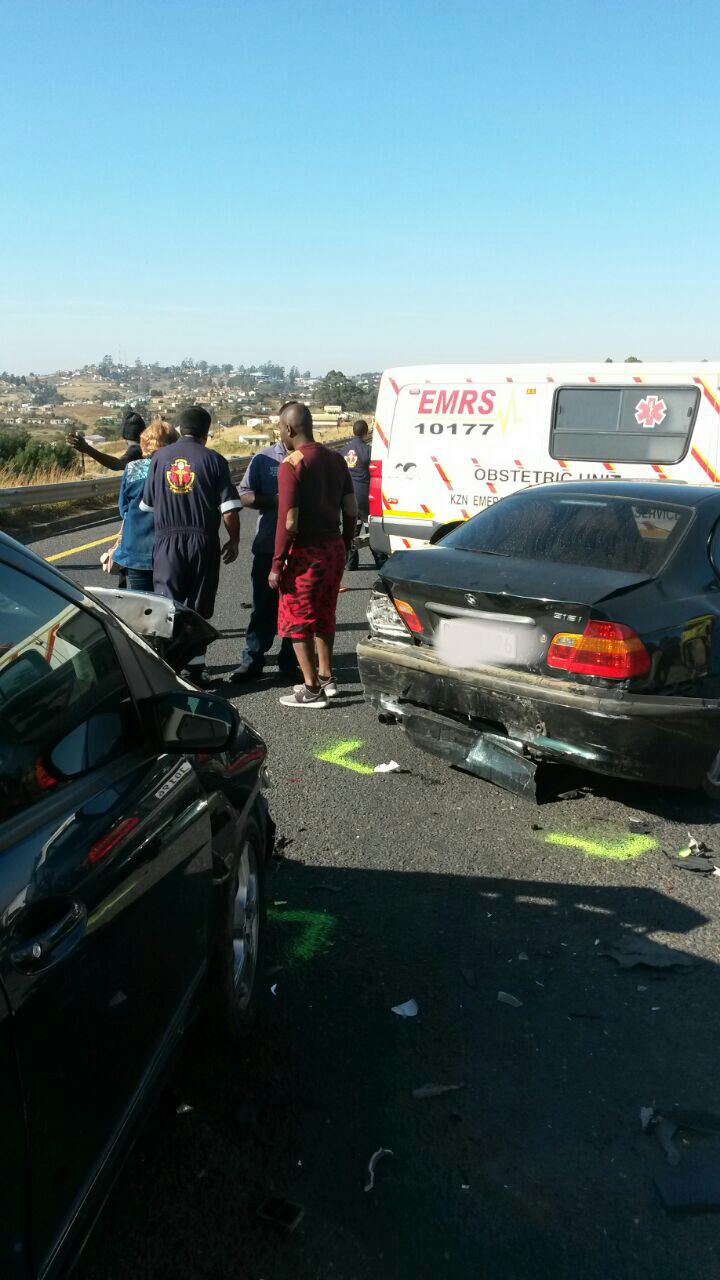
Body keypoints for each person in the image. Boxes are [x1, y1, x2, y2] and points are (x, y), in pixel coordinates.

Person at [140, 405, 241, 685]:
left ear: (180, 429)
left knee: (166, 605)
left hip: (166, 540)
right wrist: (233, 539)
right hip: (202, 540)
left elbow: (146, 505)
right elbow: (229, 510)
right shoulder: (214, 460)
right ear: (206, 433)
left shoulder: (159, 458)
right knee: (197, 606)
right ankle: (195, 669)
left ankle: (167, 667)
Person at [271, 402, 357, 708]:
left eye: (280, 428)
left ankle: (310, 689)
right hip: (333, 546)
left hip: (305, 551)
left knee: (298, 617)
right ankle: (326, 676)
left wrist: (277, 563)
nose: (280, 434)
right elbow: (351, 509)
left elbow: (289, 519)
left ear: (290, 428)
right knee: (324, 613)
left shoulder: (291, 464)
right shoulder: (336, 459)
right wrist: (345, 542)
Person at [228, 438, 298, 681]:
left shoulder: (310, 458)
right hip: (268, 544)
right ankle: (253, 659)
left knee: (296, 607)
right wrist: (277, 500)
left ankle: (290, 662)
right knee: (262, 606)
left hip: (301, 548)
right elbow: (244, 494)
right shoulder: (263, 458)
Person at [106, 417, 177, 591]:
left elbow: (124, 510)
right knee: (171, 606)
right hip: (169, 550)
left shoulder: (131, 469)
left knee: (142, 605)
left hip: (136, 550)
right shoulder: (177, 470)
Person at [67, 407, 146, 471]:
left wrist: (87, 449)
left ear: (124, 436)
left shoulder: (135, 450)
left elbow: (117, 464)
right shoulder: (152, 449)